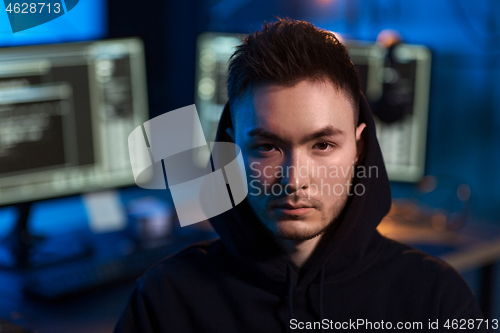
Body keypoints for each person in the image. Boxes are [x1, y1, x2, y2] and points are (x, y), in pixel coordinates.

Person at [114, 18, 489, 333]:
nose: (293, 180)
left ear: (359, 148)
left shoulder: (437, 301)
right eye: (266, 147)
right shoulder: (165, 301)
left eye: (322, 145)